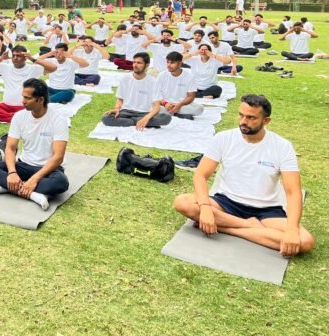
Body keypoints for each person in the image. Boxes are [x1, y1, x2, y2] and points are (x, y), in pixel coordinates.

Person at [172, 95, 314, 255]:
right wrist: (205, 208)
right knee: (183, 202)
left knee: (304, 241)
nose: (243, 121)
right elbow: (200, 176)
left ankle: (231, 229)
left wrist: (292, 229)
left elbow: (293, 192)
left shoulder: (282, 147)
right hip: (226, 203)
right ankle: (249, 226)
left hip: (266, 210)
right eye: (241, 115)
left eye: (251, 117)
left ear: (266, 121)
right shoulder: (223, 138)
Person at [0, 79, 69, 211]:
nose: (22, 101)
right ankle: (32, 194)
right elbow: (10, 148)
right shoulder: (19, 117)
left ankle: (12, 188)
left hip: (48, 170)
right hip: (24, 165)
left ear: (40, 100)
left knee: (61, 183)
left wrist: (34, 180)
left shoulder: (58, 120)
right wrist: (12, 173)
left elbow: (58, 157)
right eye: (23, 96)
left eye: (27, 98)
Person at [0, 46, 57, 123]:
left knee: (33, 111)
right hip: (6, 106)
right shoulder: (5, 67)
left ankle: (9, 117)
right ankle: (17, 118)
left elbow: (53, 68)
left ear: (25, 57)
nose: (15, 58)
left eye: (18, 56)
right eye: (13, 55)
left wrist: (33, 59)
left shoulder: (33, 69)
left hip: (24, 107)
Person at [102, 52, 170, 129]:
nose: (135, 65)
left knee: (166, 118)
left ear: (146, 65)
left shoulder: (153, 82)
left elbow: (157, 106)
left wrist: (146, 118)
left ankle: (134, 121)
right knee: (106, 118)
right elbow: (120, 99)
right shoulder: (125, 79)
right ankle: (136, 122)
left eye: (139, 63)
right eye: (134, 62)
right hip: (126, 112)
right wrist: (116, 109)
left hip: (144, 113)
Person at [157, 51, 203, 119]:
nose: (168, 65)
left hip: (182, 104)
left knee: (200, 109)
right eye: (167, 62)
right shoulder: (162, 75)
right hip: (165, 104)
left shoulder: (189, 76)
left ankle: (172, 112)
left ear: (180, 63)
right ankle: (177, 114)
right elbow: (156, 94)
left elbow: (191, 97)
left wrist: (179, 105)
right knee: (150, 106)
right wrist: (165, 103)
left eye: (172, 63)